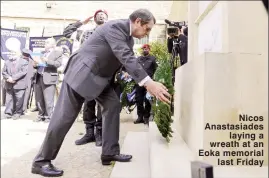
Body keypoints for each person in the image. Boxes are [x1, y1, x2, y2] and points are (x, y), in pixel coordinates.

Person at [31, 9, 171, 177]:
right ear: (138, 21)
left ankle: (109, 152)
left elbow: (124, 61)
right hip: (82, 74)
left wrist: (147, 80)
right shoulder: (115, 27)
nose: (146, 33)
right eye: (147, 29)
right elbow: (125, 56)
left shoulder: (129, 39)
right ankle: (41, 161)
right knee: (63, 118)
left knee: (113, 105)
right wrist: (148, 83)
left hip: (100, 79)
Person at [63, 9, 108, 147]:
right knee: (88, 104)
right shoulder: (86, 33)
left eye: (103, 14)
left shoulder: (110, 32)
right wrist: (81, 22)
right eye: (97, 14)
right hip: (87, 71)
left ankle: (99, 133)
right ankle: (89, 133)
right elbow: (67, 33)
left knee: (101, 104)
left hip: (103, 71)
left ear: (107, 18)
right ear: (93, 19)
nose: (100, 15)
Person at [33, 38, 63, 122]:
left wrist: (47, 61)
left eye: (47, 43)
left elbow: (58, 64)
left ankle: (48, 117)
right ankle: (40, 115)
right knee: (39, 99)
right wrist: (35, 64)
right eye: (45, 43)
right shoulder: (41, 53)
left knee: (48, 99)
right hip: (39, 77)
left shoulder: (58, 53)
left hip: (49, 78)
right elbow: (37, 65)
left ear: (53, 45)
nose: (45, 44)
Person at [2, 49, 30, 119]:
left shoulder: (24, 62)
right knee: (9, 99)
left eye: (14, 52)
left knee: (19, 100)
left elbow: (23, 72)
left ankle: (18, 113)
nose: (12, 54)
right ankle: (8, 113)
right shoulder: (7, 62)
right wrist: (8, 78)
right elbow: (4, 72)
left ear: (18, 54)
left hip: (19, 84)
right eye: (11, 53)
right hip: (9, 83)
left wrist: (13, 78)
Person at [133, 44, 158, 125]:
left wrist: (153, 80)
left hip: (149, 83)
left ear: (149, 49)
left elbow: (156, 69)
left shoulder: (153, 59)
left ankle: (146, 117)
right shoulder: (138, 59)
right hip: (140, 83)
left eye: (146, 48)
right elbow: (135, 69)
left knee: (147, 100)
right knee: (139, 100)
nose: (144, 50)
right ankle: (140, 117)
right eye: (143, 49)